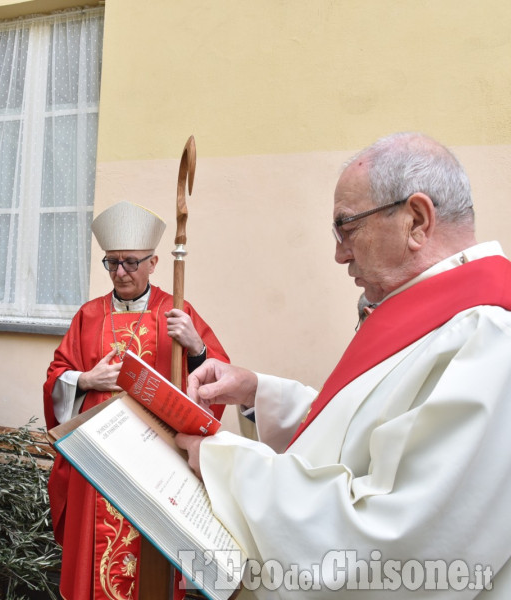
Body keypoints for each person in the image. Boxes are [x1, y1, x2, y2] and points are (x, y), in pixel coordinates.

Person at [176, 132, 511, 597]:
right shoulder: (435, 314)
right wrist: (260, 394)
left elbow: (399, 542)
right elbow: (371, 428)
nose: (339, 254)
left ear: (416, 220)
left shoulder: (489, 335)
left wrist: (223, 464)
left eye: (347, 227)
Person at [44, 201, 229, 599]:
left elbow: (218, 380)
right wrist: (86, 379)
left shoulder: (176, 312)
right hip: (98, 463)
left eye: (129, 262)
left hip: (154, 466)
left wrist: (196, 346)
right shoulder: (88, 316)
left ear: (153, 262)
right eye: (111, 263)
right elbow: (55, 378)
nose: (120, 272)